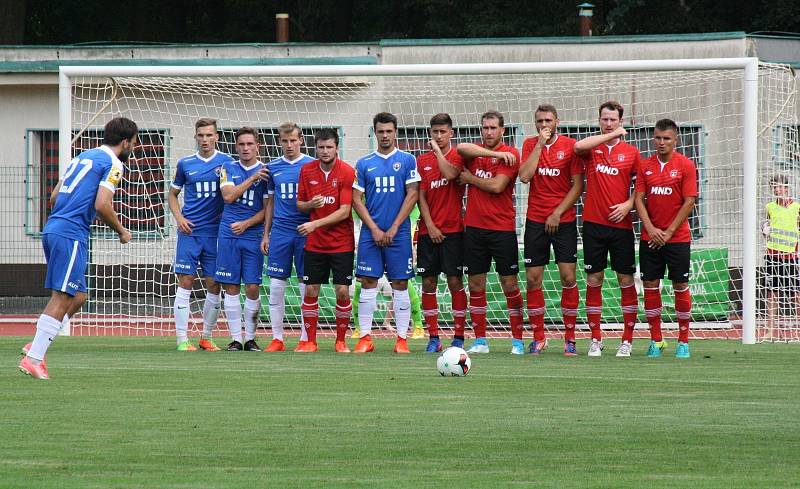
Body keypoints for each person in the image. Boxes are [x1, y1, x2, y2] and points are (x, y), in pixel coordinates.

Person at [19, 117, 137, 379]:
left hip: (53, 228)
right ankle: (35, 358)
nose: (134, 148)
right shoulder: (114, 164)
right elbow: (103, 204)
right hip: (71, 233)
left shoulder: (82, 157)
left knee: (79, 295)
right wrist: (121, 231)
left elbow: (53, 197)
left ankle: (37, 343)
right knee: (61, 296)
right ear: (125, 141)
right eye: (134, 142)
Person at [573, 101, 641, 357]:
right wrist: (610, 135)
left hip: (621, 227)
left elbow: (639, 190)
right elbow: (578, 146)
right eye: (604, 119)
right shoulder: (592, 148)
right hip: (593, 225)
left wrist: (627, 204)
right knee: (594, 279)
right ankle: (595, 338)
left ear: (620, 121)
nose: (608, 123)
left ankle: (627, 339)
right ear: (600, 120)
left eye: (613, 120)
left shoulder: (632, 153)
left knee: (625, 280)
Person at [351, 112, 420, 353]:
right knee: (368, 282)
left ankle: (401, 340)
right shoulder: (364, 163)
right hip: (372, 234)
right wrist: (373, 229)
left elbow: (413, 194)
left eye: (389, 131)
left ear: (396, 132)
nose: (385, 135)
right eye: (381, 131)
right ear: (375, 133)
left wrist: (392, 228)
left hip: (398, 233)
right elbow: (356, 199)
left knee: (400, 282)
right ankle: (366, 338)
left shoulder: (408, 160)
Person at [519, 104, 583, 356]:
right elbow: (524, 176)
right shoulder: (529, 144)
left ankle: (570, 338)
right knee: (533, 279)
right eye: (539, 121)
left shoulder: (570, 146)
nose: (544, 124)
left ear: (557, 121)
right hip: (535, 220)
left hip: (563, 220)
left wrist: (557, 212)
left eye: (548, 120)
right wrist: (539, 145)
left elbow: (577, 186)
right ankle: (538, 337)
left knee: (568, 277)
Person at [457, 110, 523, 354]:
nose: (488, 132)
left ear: (503, 130)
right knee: (475, 285)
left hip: (502, 229)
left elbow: (497, 186)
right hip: (474, 229)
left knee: (509, 284)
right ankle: (480, 340)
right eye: (485, 128)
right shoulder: (482, 153)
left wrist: (470, 178)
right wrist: (493, 154)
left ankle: (517, 340)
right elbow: (461, 148)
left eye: (493, 128)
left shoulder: (512, 154)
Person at [634, 118, 698, 359]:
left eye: (666, 138)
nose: (661, 142)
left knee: (680, 285)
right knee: (650, 286)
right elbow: (639, 198)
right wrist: (651, 229)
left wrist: (668, 232)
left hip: (677, 238)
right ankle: (656, 340)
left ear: (675, 140)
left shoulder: (686, 165)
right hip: (650, 237)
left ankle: (683, 341)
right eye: (658, 138)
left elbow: (689, 201)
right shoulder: (645, 165)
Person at [168, 118, 233, 351]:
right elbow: (172, 195)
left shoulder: (227, 163)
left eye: (209, 135)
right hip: (190, 232)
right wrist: (179, 218)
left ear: (216, 137)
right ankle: (182, 339)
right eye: (201, 135)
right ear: (195, 137)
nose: (205, 140)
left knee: (215, 284)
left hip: (215, 233)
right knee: (185, 282)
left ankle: (206, 336)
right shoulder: (185, 164)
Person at [295, 128, 356, 352]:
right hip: (315, 244)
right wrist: (311, 206)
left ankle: (340, 341)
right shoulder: (307, 170)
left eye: (329, 147)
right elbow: (299, 204)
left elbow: (344, 211)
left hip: (341, 243)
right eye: (321, 147)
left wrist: (315, 224)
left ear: (337, 148)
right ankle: (310, 341)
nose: (325, 151)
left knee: (342, 291)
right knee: (311, 290)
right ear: (315, 148)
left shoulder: (347, 172)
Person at [260, 123, 315, 352]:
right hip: (281, 232)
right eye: (285, 141)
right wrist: (266, 233)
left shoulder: (312, 164)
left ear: (301, 140)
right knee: (275, 285)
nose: (289, 145)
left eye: (293, 140)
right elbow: (270, 202)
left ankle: (305, 337)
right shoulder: (272, 167)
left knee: (306, 286)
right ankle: (277, 338)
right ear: (280, 141)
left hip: (305, 231)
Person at [416, 113, 468, 352]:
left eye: (442, 132)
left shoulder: (459, 156)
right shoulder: (421, 161)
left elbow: (450, 175)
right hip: (429, 231)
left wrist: (438, 152)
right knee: (428, 282)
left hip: (455, 231)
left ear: (451, 133)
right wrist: (431, 225)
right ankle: (434, 337)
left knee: (455, 281)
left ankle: (458, 335)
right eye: (434, 132)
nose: (438, 136)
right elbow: (421, 197)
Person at [216, 127, 269, 351]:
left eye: (250, 144)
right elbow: (228, 196)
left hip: (253, 235)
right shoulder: (228, 167)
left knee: (253, 287)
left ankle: (251, 338)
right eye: (241, 144)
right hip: (228, 234)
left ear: (257, 146)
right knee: (230, 286)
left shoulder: (267, 172)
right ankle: (236, 338)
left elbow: (268, 210)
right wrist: (252, 179)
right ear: (236, 147)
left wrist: (247, 224)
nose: (246, 148)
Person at [762, 173, 800, 341]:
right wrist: (765, 231)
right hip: (772, 254)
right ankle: (770, 330)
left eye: (778, 186)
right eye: (774, 187)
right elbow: (768, 227)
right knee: (772, 293)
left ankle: (798, 329)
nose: (776, 189)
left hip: (791, 256)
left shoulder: (796, 207)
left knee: (795, 294)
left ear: (786, 188)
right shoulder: (769, 206)